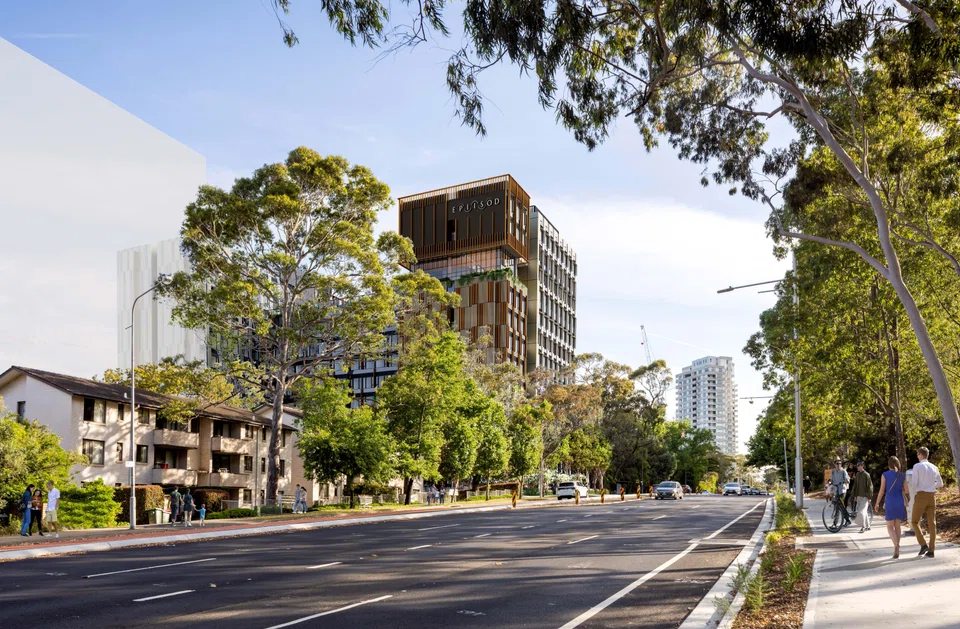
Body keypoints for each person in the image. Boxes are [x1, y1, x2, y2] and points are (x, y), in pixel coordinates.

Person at [910, 446, 943, 558]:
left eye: (917, 454)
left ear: (920, 454)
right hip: (931, 496)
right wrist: (930, 486)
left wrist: (919, 488)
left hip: (921, 495)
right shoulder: (934, 467)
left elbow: (914, 483)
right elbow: (940, 483)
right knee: (932, 523)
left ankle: (923, 544)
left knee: (914, 521)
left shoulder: (917, 466)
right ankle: (931, 550)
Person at [874, 456, 908, 559]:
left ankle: (896, 544)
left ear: (889, 464)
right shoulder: (902, 476)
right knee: (897, 526)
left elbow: (881, 490)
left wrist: (877, 503)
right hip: (899, 501)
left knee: (889, 526)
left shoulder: (885, 475)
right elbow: (906, 491)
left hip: (890, 501)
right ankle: (897, 545)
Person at [853, 460, 874, 533]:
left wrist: (869, 496)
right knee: (863, 511)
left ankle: (863, 527)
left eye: (859, 466)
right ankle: (868, 526)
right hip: (858, 495)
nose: (858, 467)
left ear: (862, 466)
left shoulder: (866, 475)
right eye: (857, 466)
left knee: (861, 511)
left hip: (865, 496)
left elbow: (870, 486)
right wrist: (855, 495)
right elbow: (855, 485)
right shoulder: (858, 474)